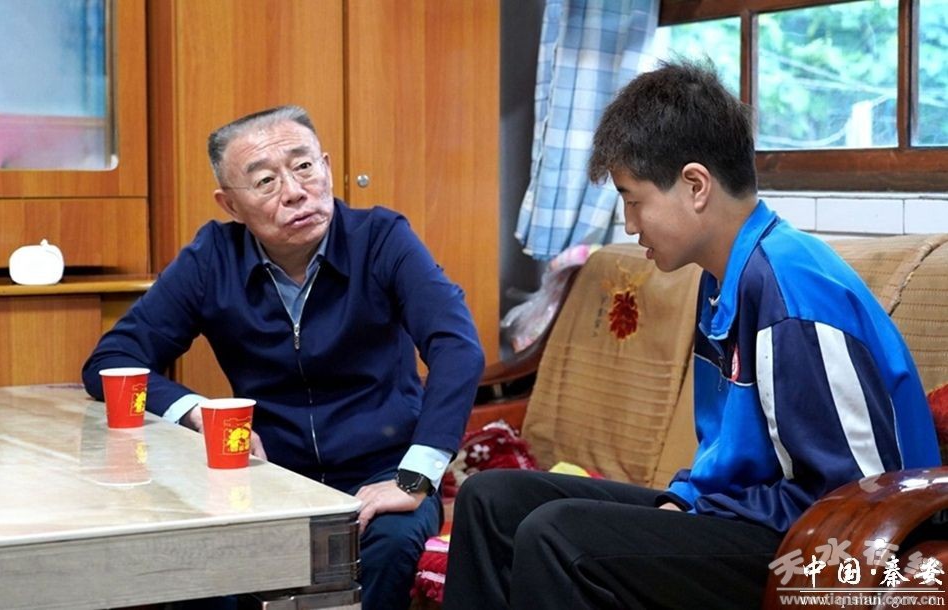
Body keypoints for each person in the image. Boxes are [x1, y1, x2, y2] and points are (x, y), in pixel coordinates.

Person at [441, 60, 941, 609]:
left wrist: (694, 512)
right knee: (493, 499)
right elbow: (731, 458)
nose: (629, 224)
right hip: (753, 518)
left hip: (827, 545)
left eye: (634, 200)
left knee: (557, 536)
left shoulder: (791, 292)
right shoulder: (722, 279)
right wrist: (685, 501)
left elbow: (857, 494)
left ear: (695, 185)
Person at [82, 105, 485, 610]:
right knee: (191, 567)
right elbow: (111, 360)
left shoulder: (381, 239)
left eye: (304, 167)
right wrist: (198, 413)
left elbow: (457, 346)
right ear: (231, 204)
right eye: (266, 181)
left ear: (328, 168)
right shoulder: (212, 259)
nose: (295, 191)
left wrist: (415, 476)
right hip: (264, 479)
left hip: (381, 471)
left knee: (388, 548)